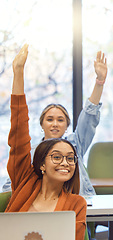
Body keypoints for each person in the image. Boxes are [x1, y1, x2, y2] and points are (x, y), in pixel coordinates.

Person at [2, 45, 107, 196]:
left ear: (67, 126)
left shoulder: (75, 145)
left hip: (78, 205)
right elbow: (10, 186)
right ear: (42, 124)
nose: (55, 124)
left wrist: (99, 81)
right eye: (50, 119)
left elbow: (89, 116)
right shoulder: (31, 152)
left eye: (60, 120)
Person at [5, 44, 86, 240]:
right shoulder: (25, 183)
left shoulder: (77, 203)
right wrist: (18, 73)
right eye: (57, 157)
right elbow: (18, 136)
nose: (65, 163)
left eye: (70, 158)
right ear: (41, 163)